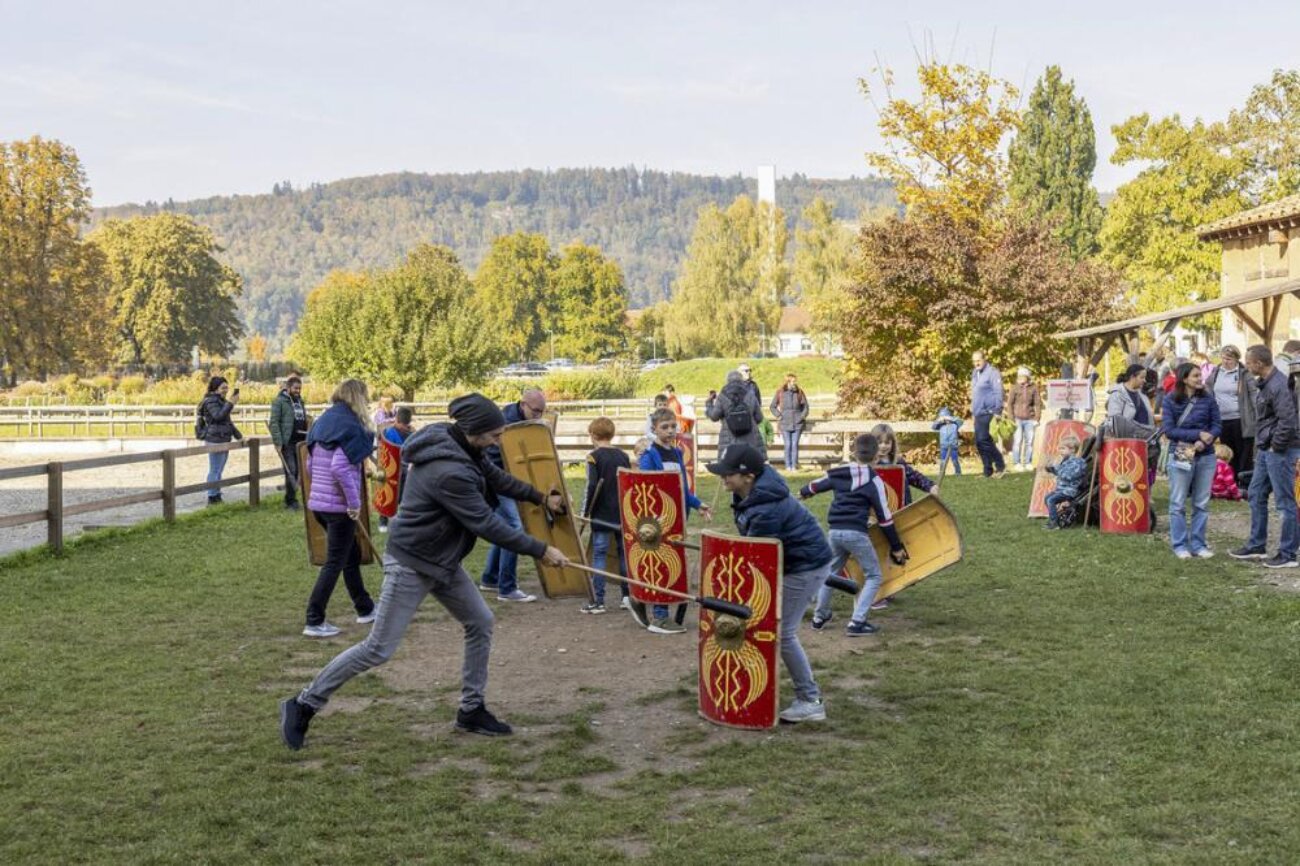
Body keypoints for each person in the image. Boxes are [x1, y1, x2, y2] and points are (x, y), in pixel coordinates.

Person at [280, 393, 571, 749]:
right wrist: (542, 550)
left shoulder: (462, 445)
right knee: (378, 648)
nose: (498, 441)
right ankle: (303, 704)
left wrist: (540, 497)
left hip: (441, 559)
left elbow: (497, 478)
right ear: (475, 430)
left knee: (480, 621)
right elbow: (486, 523)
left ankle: (471, 709)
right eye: (495, 436)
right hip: (412, 562)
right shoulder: (448, 471)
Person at [706, 445, 832, 723]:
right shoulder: (750, 494)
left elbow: (757, 558)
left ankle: (811, 701)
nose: (723, 477)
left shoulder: (765, 508)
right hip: (791, 561)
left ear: (748, 476)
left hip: (804, 567)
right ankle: (754, 682)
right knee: (764, 623)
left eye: (728, 473)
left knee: (782, 632)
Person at [800, 433, 909, 635]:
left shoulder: (839, 473)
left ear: (853, 453)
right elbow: (885, 518)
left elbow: (815, 486)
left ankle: (819, 617)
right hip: (856, 534)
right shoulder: (874, 480)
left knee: (830, 574)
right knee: (874, 575)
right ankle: (857, 622)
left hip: (835, 532)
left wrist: (804, 492)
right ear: (876, 456)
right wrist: (896, 547)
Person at [300, 380, 378, 637]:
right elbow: (340, 468)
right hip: (338, 508)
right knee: (334, 562)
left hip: (320, 505)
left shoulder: (323, 422)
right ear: (358, 397)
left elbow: (310, 465)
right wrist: (354, 504)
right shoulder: (350, 427)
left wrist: (320, 493)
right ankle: (314, 619)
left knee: (350, 555)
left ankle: (365, 608)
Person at [639, 408, 713, 633]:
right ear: (654, 429)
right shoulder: (649, 455)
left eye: (673, 426)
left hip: (677, 517)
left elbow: (681, 487)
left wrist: (697, 504)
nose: (670, 431)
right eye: (665, 427)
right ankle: (659, 616)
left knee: (674, 564)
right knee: (661, 565)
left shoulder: (678, 453)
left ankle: (655, 606)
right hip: (657, 519)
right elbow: (645, 487)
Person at [1230, 345, 1300, 569]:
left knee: (1285, 502)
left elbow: (1287, 420)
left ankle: (1288, 553)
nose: (1247, 366)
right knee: (1256, 493)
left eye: (1249, 362)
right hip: (1266, 449)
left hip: (1280, 450)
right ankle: (1256, 545)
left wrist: (1275, 447)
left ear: (1259, 363)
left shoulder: (1278, 385)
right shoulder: (1267, 383)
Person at [479, 388, 548, 601]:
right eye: (535, 411)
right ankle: (507, 588)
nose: (538, 415)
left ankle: (490, 578)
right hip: (497, 482)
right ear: (523, 404)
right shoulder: (509, 425)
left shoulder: (520, 418)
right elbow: (499, 458)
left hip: (504, 481)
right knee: (515, 528)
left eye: (542, 411)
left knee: (505, 528)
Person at [1162, 363, 1222, 559]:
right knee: (1178, 502)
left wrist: (1207, 439)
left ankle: (1198, 544)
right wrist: (1197, 435)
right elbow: (1169, 430)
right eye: (1195, 376)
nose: (1200, 378)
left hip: (1206, 453)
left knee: (1201, 503)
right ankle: (1180, 545)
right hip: (1182, 450)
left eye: (1199, 375)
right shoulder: (1170, 400)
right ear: (1184, 378)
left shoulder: (1208, 398)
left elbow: (1217, 424)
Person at [580, 417, 631, 614]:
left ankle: (598, 601)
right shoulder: (623, 456)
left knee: (599, 554)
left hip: (601, 513)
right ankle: (626, 596)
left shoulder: (593, 457)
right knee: (623, 554)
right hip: (621, 512)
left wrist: (585, 512)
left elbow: (591, 486)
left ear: (593, 435)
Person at [1206, 346, 1256, 489]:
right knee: (1228, 452)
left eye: (1229, 359)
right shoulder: (1216, 372)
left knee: (1244, 453)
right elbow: (1208, 389)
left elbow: (1254, 394)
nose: (1225, 361)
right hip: (1222, 420)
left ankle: (1245, 484)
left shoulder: (1244, 374)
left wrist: (1257, 415)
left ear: (1236, 359)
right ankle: (1230, 481)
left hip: (1241, 419)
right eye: (1223, 358)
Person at [197, 376, 243, 505]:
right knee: (215, 469)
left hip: (223, 438)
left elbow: (228, 422)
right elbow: (218, 416)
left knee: (219, 469)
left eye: (227, 388)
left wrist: (239, 436)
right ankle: (212, 496)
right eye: (223, 388)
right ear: (215, 388)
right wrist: (231, 403)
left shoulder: (221, 401)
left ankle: (216, 494)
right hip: (215, 439)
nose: (226, 390)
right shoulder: (210, 401)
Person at [269, 375, 310, 510]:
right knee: (291, 470)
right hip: (288, 442)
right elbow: (274, 423)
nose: (298, 391)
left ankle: (299, 498)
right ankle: (290, 501)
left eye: (300, 388)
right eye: (295, 388)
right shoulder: (279, 402)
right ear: (288, 388)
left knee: (300, 471)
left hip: (301, 442)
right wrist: (278, 442)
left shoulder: (300, 401)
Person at [872, 423, 937, 504]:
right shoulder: (868, 465)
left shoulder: (898, 462)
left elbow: (914, 477)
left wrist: (930, 486)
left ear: (892, 443)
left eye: (887, 443)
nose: (883, 446)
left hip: (902, 507)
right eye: (879, 443)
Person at [706, 370, 764, 458]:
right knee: (749, 464)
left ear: (727, 381)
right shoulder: (751, 395)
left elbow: (714, 416)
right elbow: (759, 418)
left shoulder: (722, 396)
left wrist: (709, 403)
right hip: (749, 440)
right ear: (741, 380)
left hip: (729, 441)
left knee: (730, 465)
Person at [377, 407, 415, 532]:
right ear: (397, 421)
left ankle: (402, 521)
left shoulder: (412, 434)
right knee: (386, 493)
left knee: (404, 496)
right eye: (402, 424)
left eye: (406, 425)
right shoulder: (389, 432)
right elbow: (384, 449)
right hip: (390, 470)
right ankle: (383, 521)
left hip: (405, 469)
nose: (404, 427)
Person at [970, 351, 1006, 478]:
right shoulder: (975, 373)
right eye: (974, 361)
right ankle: (987, 470)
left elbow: (998, 391)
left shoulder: (992, 372)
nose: (976, 363)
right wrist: (973, 411)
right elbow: (975, 393)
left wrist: (998, 410)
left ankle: (1000, 466)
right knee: (979, 442)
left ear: (984, 359)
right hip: (978, 412)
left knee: (983, 439)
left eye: (978, 360)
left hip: (989, 411)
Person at [1043, 438, 1086, 529]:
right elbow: (1061, 472)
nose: (1060, 451)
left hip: (1070, 490)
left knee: (1051, 500)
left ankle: (1054, 523)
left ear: (1072, 450)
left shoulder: (1077, 463)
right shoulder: (1065, 461)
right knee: (1047, 498)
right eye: (1060, 448)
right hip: (1062, 490)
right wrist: (1051, 469)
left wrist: (1058, 470)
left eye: (1063, 448)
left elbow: (1069, 476)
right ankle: (1054, 518)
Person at [770, 372, 810, 471]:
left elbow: (805, 407)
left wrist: (802, 416)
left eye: (795, 381)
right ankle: (788, 465)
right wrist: (779, 415)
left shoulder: (799, 392)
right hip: (784, 423)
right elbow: (772, 406)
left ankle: (794, 466)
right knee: (787, 444)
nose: (794, 383)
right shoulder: (780, 392)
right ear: (787, 382)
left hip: (797, 423)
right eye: (792, 381)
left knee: (794, 444)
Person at [1005, 367, 1041, 472]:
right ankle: (1017, 463)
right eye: (1019, 376)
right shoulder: (1014, 388)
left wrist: (1037, 418)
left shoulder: (1033, 388)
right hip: (1017, 419)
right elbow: (1009, 404)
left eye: (1023, 376)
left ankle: (1028, 462)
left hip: (1030, 419)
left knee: (1029, 442)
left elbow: (1038, 404)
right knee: (1017, 441)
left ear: (1027, 377)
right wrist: (1011, 418)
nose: (1020, 378)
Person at [932, 407, 962, 476]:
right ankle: (941, 473)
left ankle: (958, 473)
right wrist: (939, 420)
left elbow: (960, 421)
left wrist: (950, 418)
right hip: (944, 446)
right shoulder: (940, 426)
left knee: (955, 461)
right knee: (942, 461)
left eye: (946, 417)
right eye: (943, 418)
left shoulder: (955, 425)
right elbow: (933, 427)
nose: (945, 420)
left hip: (953, 446)